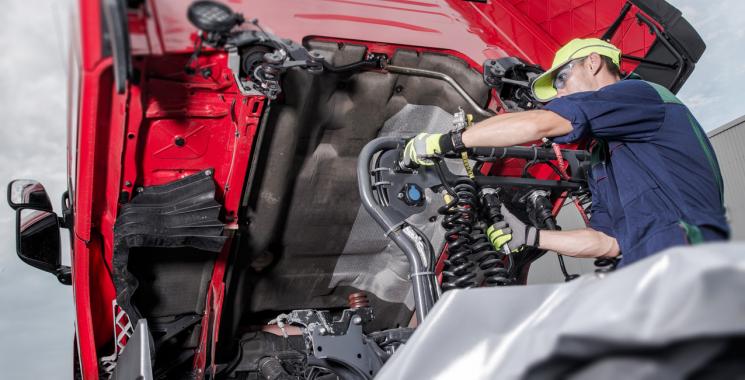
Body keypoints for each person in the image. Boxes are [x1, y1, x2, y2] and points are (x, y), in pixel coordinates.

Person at [403, 38, 729, 267]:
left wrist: (445, 142)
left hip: (687, 265)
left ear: (593, 62)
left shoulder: (640, 94)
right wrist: (529, 235)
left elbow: (541, 123)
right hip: (647, 276)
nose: (560, 91)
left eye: (562, 77)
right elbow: (604, 241)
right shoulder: (605, 159)